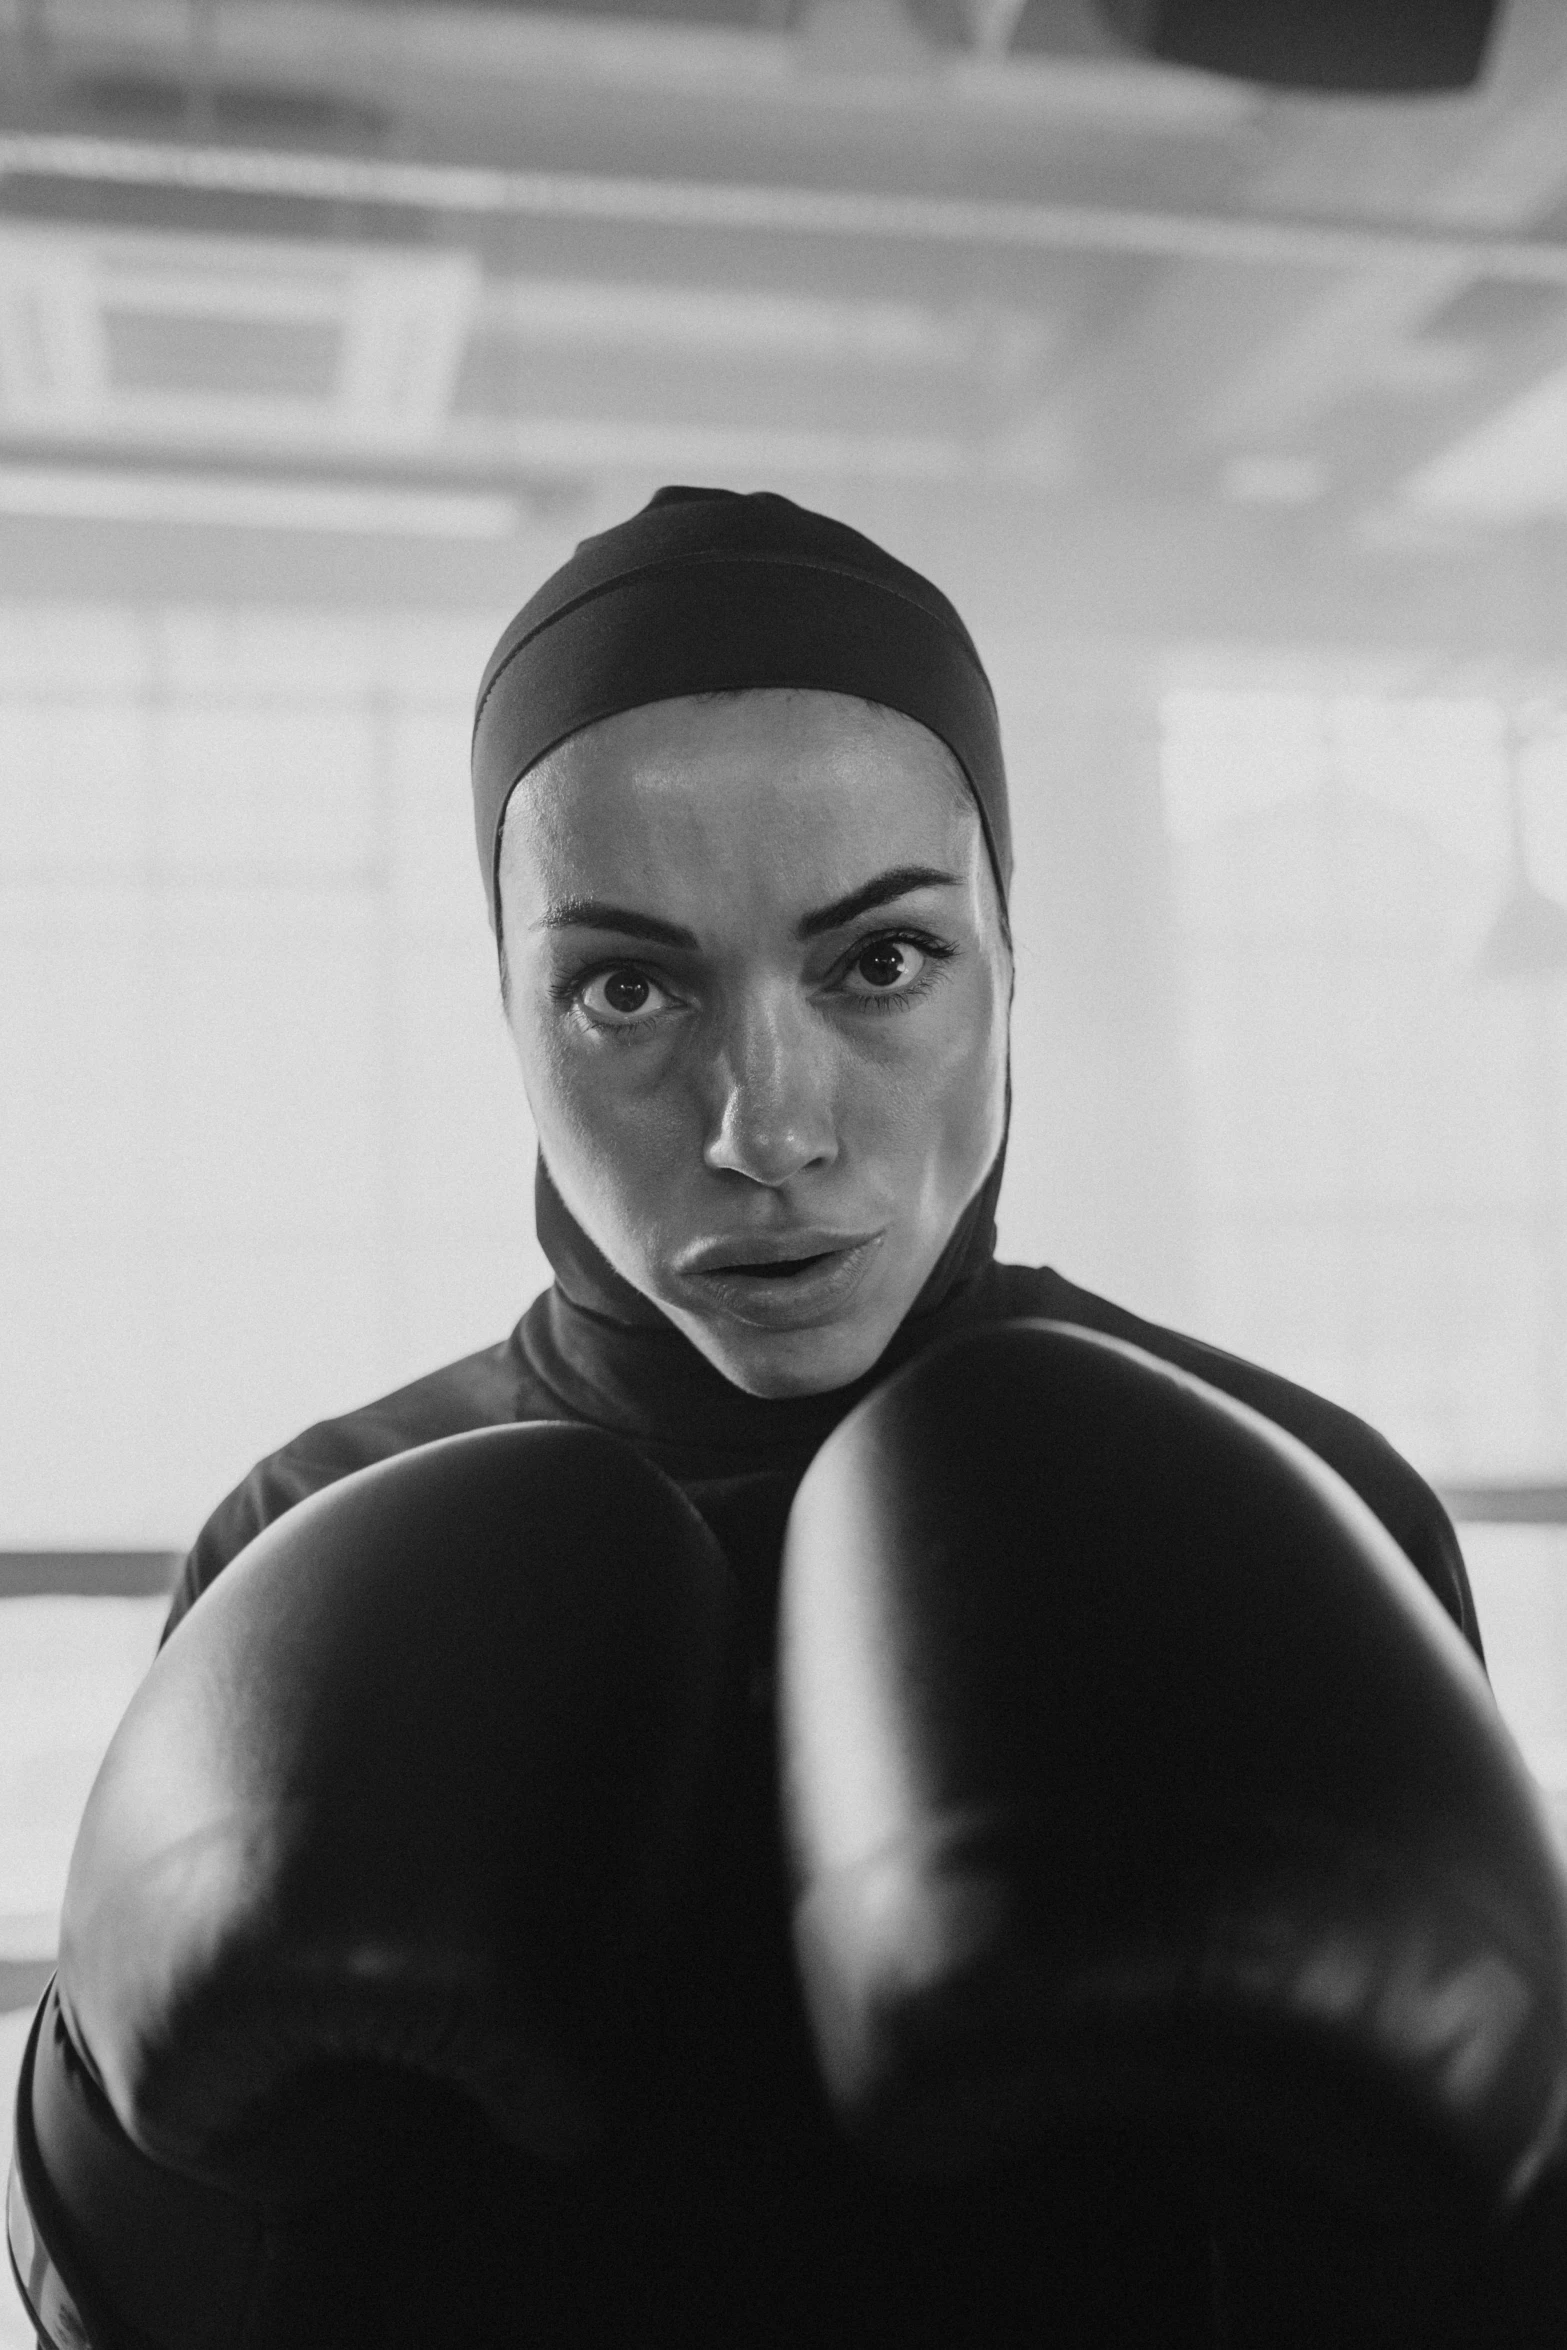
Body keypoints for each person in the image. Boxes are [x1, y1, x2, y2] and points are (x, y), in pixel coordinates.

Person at [11, 487, 1562, 2350]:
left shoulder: (1293, 1502)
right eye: (626, 985)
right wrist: (131, 2126)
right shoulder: (308, 1525)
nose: (766, 1124)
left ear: (1010, 949)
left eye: (877, 960)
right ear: (509, 1009)